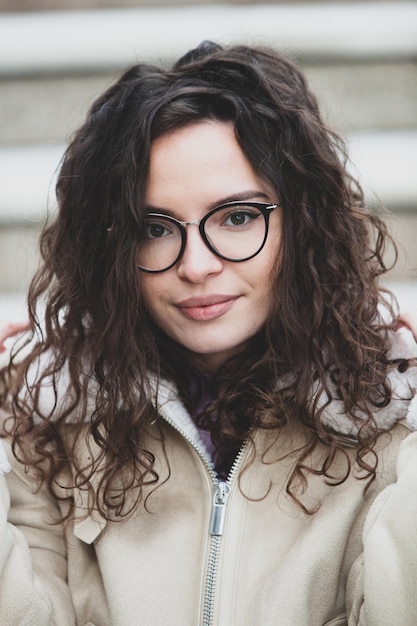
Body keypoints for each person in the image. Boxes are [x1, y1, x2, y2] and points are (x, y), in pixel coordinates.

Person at [1, 41, 417, 626]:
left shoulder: (389, 418)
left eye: (238, 217)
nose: (195, 265)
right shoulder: (51, 422)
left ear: (303, 223)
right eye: (155, 228)